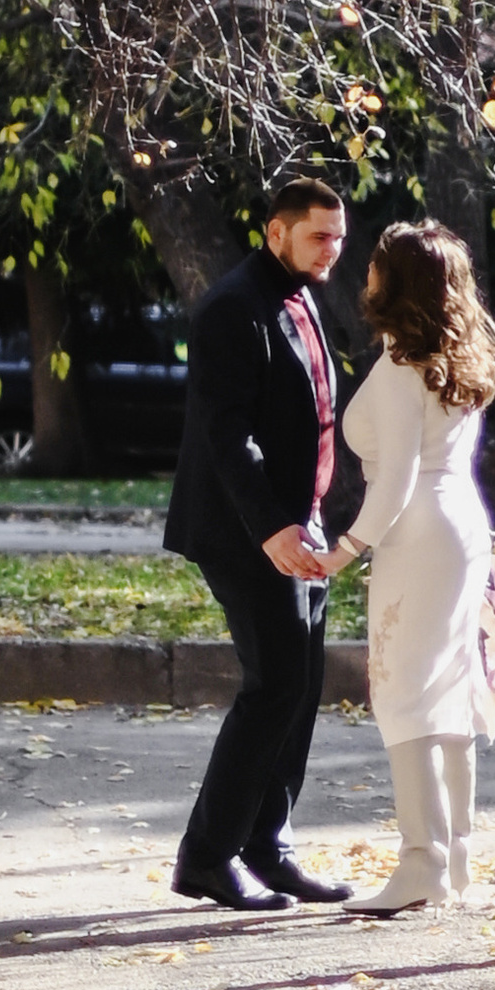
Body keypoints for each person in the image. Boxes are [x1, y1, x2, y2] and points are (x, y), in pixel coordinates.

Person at [165, 175, 361, 913]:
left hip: (297, 522)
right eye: (318, 235)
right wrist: (273, 526)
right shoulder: (230, 307)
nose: (332, 249)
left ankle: (268, 845)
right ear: (275, 231)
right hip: (245, 529)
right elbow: (227, 433)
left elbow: (305, 413)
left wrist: (313, 514)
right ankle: (207, 855)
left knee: (303, 684)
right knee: (274, 681)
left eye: (338, 236)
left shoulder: (301, 294)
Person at [329, 219, 495, 916]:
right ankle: (454, 858)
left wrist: (347, 547)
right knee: (450, 693)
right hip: (461, 521)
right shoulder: (459, 357)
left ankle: (421, 861)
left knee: (402, 693)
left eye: (375, 264)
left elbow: (397, 477)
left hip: (419, 529)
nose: (364, 273)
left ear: (395, 281)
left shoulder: (403, 366)